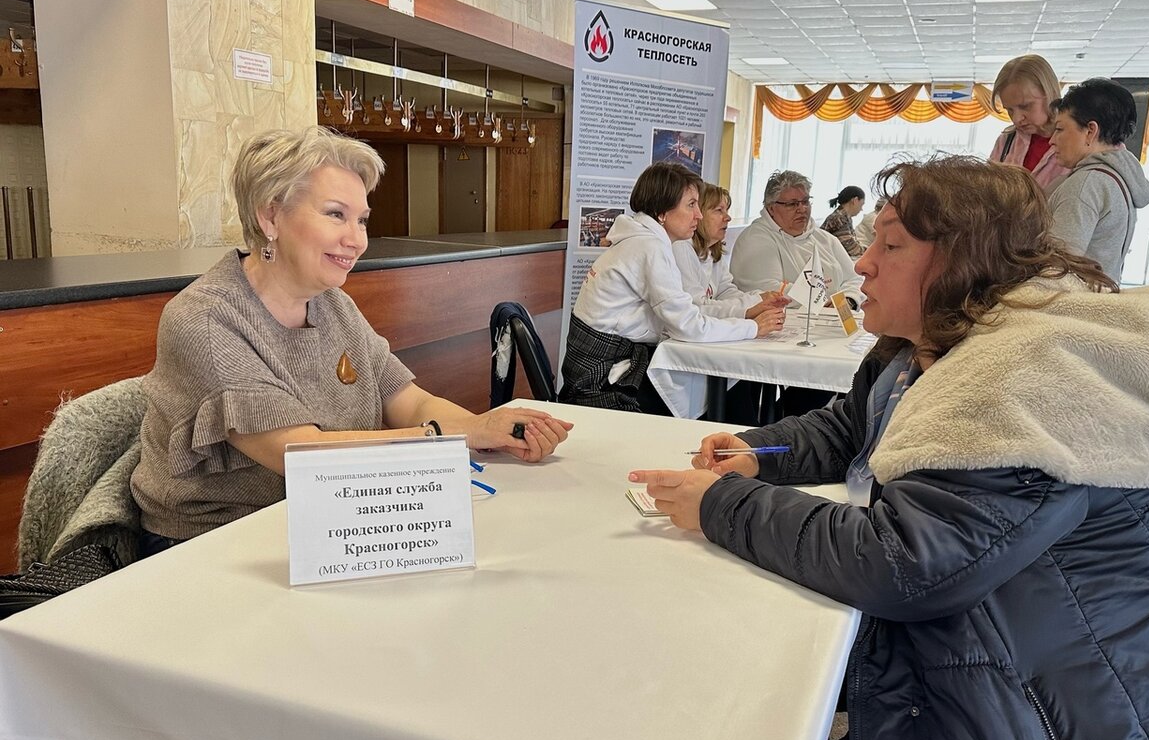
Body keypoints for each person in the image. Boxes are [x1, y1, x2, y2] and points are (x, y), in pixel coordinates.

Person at [631, 154, 1149, 740]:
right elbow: (850, 428)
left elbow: (902, 563)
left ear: (963, 257)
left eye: (891, 245)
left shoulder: (1030, 383)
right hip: (995, 659)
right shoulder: (922, 351)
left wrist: (722, 506)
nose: (863, 263)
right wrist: (760, 450)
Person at [132, 127, 571, 548]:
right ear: (270, 215)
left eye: (361, 220)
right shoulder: (204, 319)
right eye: (335, 215)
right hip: (208, 543)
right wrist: (449, 438)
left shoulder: (332, 303)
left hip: (322, 517)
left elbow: (410, 402)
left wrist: (488, 431)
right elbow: (304, 454)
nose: (357, 240)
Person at [560, 162, 785, 414]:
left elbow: (686, 315)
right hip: (600, 383)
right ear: (662, 212)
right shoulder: (649, 247)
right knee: (725, 382)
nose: (698, 215)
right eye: (691, 205)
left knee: (726, 383)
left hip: (602, 366)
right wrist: (753, 328)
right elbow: (690, 326)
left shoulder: (642, 239)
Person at [1047, 77, 1149, 281]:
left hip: (1074, 307)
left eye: (1059, 129)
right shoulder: (1117, 176)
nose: (1052, 140)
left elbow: (1057, 270)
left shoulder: (1086, 185)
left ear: (1090, 131)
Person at [729, 170, 862, 306]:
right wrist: (825, 303)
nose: (802, 209)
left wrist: (848, 300)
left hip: (833, 318)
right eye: (792, 204)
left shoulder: (824, 238)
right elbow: (768, 291)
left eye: (805, 201)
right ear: (771, 208)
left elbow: (854, 278)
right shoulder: (755, 240)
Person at [672, 182, 790, 319]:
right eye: (718, 210)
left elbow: (725, 292)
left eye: (726, 210)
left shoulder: (713, 250)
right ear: (699, 214)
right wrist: (755, 303)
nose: (728, 217)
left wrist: (761, 297)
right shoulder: (681, 247)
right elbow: (697, 306)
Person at [989, 54, 1072, 195]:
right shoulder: (1006, 140)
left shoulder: (1076, 142)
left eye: (1025, 106)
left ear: (1049, 93)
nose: (1016, 119)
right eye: (1009, 110)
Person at [821, 185, 866, 258]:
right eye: (861, 204)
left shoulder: (844, 217)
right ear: (855, 200)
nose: (861, 209)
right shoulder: (839, 218)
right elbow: (851, 248)